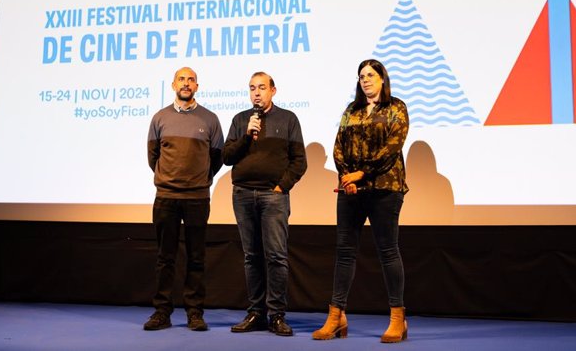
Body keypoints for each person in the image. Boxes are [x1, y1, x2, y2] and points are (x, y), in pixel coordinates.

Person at [312, 59, 409, 343]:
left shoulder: (396, 108)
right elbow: (339, 145)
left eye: (370, 75)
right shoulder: (351, 110)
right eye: (361, 76)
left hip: (385, 189)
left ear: (382, 79)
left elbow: (392, 147)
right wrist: (346, 178)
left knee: (388, 251)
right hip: (351, 190)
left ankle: (397, 318)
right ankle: (336, 316)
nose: (365, 79)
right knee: (344, 252)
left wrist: (361, 174)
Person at [223, 71, 307, 337]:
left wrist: (282, 186)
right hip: (243, 194)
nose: (256, 93)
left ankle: (277, 315)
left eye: (261, 87)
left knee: (276, 256)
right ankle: (256, 313)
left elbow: (299, 161)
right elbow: (226, 157)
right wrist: (247, 135)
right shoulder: (240, 120)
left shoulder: (288, 119)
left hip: (274, 196)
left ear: (273, 90)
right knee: (252, 257)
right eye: (251, 88)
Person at [144, 67, 224, 332]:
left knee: (196, 258)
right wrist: (170, 178)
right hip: (166, 197)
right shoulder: (160, 118)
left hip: (197, 198)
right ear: (173, 85)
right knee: (164, 258)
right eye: (182, 79)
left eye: (191, 80)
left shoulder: (210, 119)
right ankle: (162, 312)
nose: (186, 84)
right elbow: (153, 158)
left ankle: (194, 313)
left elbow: (217, 159)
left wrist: (199, 178)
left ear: (197, 86)